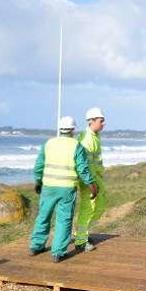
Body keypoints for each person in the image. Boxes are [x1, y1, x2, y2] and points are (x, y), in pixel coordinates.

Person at [29, 116, 97, 263]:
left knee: (43, 216)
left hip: (48, 187)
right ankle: (58, 253)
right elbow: (83, 169)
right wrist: (92, 185)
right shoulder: (76, 146)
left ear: (60, 128)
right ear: (73, 129)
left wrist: (38, 181)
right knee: (64, 220)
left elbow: (39, 165)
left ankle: (36, 246)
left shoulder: (48, 144)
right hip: (66, 189)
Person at [75, 107, 107, 253]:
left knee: (99, 206)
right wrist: (90, 183)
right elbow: (84, 165)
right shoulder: (86, 139)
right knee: (88, 209)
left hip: (96, 178)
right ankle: (81, 241)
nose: (104, 123)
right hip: (89, 181)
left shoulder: (95, 136)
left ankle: (82, 234)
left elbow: (96, 161)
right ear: (92, 121)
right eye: (101, 121)